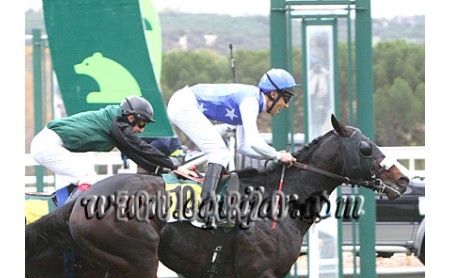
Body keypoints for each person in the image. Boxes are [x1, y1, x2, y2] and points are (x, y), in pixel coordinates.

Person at [167, 68, 300, 224]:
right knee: (220, 153)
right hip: (184, 104)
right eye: (287, 98)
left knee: (221, 153)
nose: (286, 105)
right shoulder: (250, 102)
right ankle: (204, 211)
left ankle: (208, 207)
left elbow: (244, 147)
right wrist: (277, 155)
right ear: (274, 94)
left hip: (183, 102)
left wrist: (272, 156)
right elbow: (254, 141)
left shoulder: (253, 101)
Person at [31, 96, 195, 204]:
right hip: (47, 145)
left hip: (49, 143)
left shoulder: (116, 125)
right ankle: (63, 220)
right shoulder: (117, 124)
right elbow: (141, 147)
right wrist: (174, 166)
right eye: (141, 123)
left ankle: (61, 211)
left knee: (84, 179)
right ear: (131, 117)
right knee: (89, 179)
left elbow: (136, 156)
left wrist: (165, 170)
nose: (141, 130)